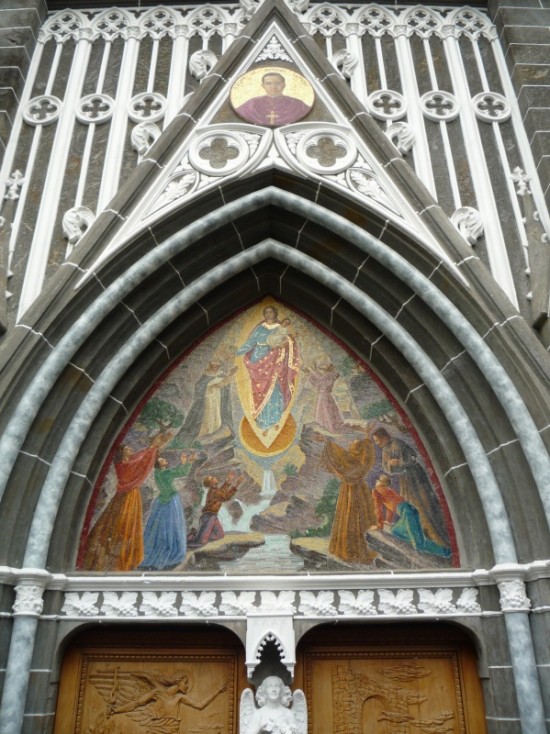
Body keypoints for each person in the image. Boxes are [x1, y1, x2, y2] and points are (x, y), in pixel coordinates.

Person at [81, 431, 172, 571]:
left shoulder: (127, 462)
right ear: (122, 453)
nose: (131, 449)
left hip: (129, 498)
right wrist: (154, 447)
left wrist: (154, 446)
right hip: (126, 499)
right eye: (127, 448)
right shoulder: (123, 466)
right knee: (122, 527)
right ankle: (116, 561)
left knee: (119, 527)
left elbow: (140, 457)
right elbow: (142, 463)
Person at [372, 427, 449, 547]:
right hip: (405, 479)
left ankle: (435, 536)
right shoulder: (385, 450)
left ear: (384, 437)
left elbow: (412, 458)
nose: (377, 443)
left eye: (378, 440)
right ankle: (423, 534)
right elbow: (386, 467)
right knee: (411, 503)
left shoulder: (397, 443)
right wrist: (391, 464)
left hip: (415, 476)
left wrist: (399, 463)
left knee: (424, 502)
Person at [236, 306, 300, 432]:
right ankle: (262, 421)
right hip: (258, 360)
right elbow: (250, 342)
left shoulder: (280, 328)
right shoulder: (260, 328)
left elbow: (289, 342)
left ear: (275, 313)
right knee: (259, 389)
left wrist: (285, 343)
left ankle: (274, 419)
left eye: (271, 312)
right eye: (266, 312)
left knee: (274, 387)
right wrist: (237, 352)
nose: (268, 314)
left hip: (274, 359)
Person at [317, 433, 378, 564]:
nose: (351, 445)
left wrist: (327, 442)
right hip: (356, 489)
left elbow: (342, 457)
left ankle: (351, 551)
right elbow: (344, 456)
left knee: (352, 517)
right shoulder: (363, 459)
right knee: (355, 517)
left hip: (353, 490)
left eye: (354, 446)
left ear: (358, 451)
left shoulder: (355, 463)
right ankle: (353, 550)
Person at [139, 452, 195, 570]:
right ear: (160, 465)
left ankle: (155, 550)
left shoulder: (158, 473)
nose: (166, 461)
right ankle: (172, 550)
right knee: (172, 526)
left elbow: (174, 471)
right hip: (171, 500)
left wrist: (183, 463)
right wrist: (187, 462)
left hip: (161, 500)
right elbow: (181, 472)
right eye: (163, 460)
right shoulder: (164, 473)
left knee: (158, 528)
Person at [371, 474, 450, 557]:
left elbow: (378, 508)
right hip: (410, 510)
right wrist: (388, 520)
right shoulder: (387, 490)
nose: (376, 481)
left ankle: (445, 551)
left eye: (378, 480)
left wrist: (379, 525)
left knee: (419, 545)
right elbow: (390, 509)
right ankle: (422, 541)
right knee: (395, 531)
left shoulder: (376, 491)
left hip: (407, 513)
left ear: (382, 483)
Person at [110, 671, 227, 723]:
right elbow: (136, 703)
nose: (187, 686)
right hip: (156, 728)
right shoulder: (157, 692)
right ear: (178, 681)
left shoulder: (179, 697)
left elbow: (200, 705)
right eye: (185, 682)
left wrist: (218, 691)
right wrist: (116, 710)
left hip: (172, 729)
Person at [234, 72, 312, 127]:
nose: (273, 86)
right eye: (268, 83)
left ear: (284, 85)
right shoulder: (252, 104)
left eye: (277, 83)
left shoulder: (297, 104)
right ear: (263, 86)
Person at [192, 471, 245, 545]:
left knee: (219, 535)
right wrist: (237, 485)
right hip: (209, 516)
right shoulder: (214, 491)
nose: (214, 477)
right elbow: (226, 497)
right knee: (202, 541)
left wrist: (228, 481)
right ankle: (196, 535)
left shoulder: (214, 490)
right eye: (212, 478)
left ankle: (199, 534)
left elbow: (221, 491)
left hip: (212, 515)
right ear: (211, 483)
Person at [304, 358, 348, 433]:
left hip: (324, 396)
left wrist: (310, 373)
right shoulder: (330, 375)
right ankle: (329, 426)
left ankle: (330, 427)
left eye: (327, 365)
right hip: (326, 395)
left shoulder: (329, 376)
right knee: (328, 411)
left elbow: (319, 383)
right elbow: (320, 379)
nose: (325, 367)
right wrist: (311, 372)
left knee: (327, 411)